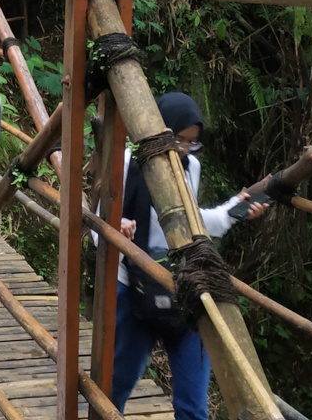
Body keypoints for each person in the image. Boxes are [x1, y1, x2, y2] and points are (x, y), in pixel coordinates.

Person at [109, 91, 270, 420]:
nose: (183, 149)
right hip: (133, 285)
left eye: (191, 142)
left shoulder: (190, 166)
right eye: (179, 140)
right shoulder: (128, 162)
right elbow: (100, 225)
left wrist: (233, 210)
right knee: (117, 385)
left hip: (183, 284)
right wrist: (119, 227)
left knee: (193, 404)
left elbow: (192, 221)